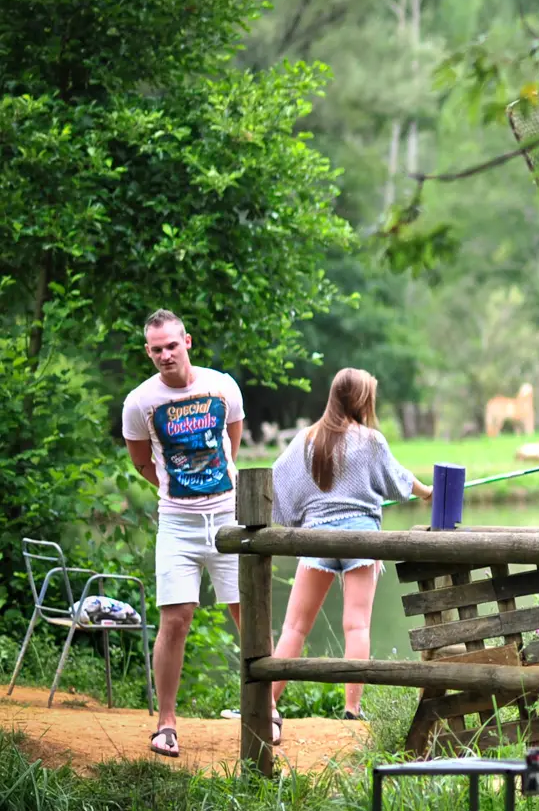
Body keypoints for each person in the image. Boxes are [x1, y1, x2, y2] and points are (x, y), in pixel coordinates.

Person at [268, 368, 432, 738]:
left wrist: (302, 518)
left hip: (316, 539)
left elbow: (276, 481)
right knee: (356, 625)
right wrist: (428, 493)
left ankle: (269, 703)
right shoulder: (371, 441)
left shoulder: (306, 439)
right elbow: (400, 480)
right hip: (361, 539)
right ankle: (351, 711)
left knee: (295, 626)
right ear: (362, 400)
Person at [122, 310, 247, 759]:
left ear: (187, 342)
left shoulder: (221, 386)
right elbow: (141, 461)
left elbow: (232, 442)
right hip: (177, 522)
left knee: (246, 612)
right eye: (156, 349)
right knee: (176, 618)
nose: (164, 355)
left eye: (171, 346)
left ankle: (263, 710)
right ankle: (166, 724)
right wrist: (177, 489)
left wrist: (213, 486)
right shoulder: (140, 401)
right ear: (148, 351)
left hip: (229, 515)